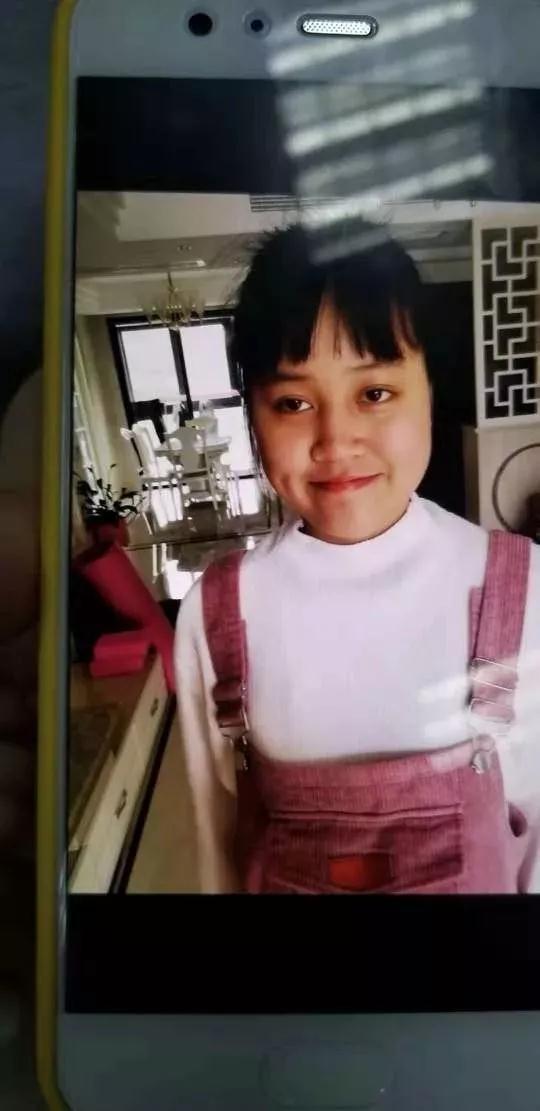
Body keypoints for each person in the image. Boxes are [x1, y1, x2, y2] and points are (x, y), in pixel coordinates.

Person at [174, 221, 540, 895]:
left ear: (429, 390)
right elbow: (216, 848)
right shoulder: (216, 613)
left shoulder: (524, 586)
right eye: (293, 402)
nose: (336, 441)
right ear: (253, 415)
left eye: (374, 393)